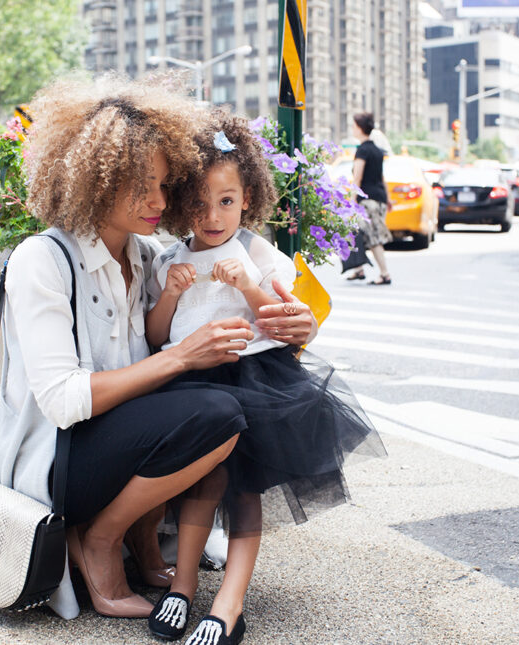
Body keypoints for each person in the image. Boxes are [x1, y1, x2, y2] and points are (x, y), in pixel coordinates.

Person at [0, 75, 319, 622]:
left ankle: (145, 543)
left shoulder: (148, 258)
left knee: (219, 410)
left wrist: (300, 326)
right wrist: (181, 356)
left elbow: (242, 303)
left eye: (166, 186)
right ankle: (99, 538)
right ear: (96, 181)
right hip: (59, 459)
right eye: (142, 185)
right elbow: (62, 401)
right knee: (215, 412)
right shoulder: (41, 260)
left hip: (120, 445)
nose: (159, 201)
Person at [143, 110, 385, 644]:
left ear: (247, 198)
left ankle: (230, 602)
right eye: (200, 203)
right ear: (182, 204)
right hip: (193, 381)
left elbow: (287, 323)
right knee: (200, 484)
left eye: (226, 202)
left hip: (255, 380)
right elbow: (158, 334)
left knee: (245, 489)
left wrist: (250, 286)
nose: (213, 216)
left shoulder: (256, 251)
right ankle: (182, 586)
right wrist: (171, 294)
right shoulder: (169, 259)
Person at [344, 112, 393, 285]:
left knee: (372, 237)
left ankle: (385, 273)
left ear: (359, 128)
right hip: (378, 198)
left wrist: (351, 201)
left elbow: (357, 178)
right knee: (357, 232)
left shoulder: (362, 150)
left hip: (367, 201)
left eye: (354, 126)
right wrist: (388, 199)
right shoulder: (377, 151)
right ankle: (359, 269)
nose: (352, 129)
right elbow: (381, 177)